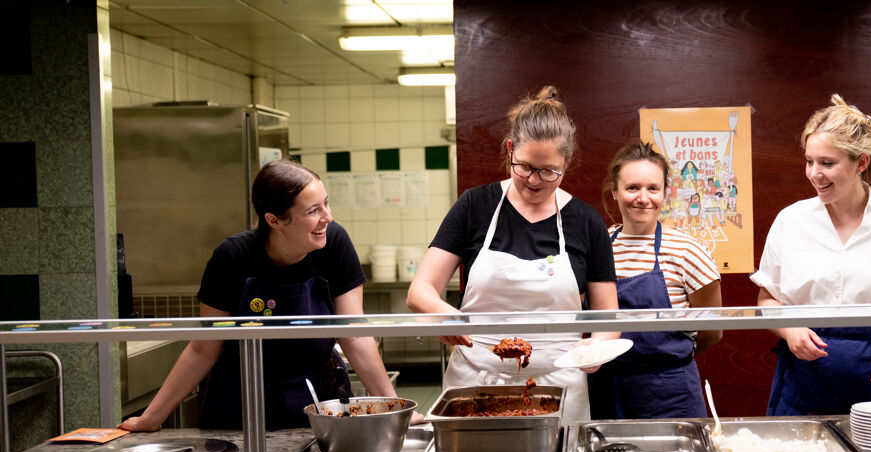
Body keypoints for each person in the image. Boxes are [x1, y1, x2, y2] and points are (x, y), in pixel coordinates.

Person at [120, 160, 397, 431]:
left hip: (316, 399)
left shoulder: (334, 243)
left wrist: (394, 409)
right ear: (274, 220)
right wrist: (152, 418)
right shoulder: (232, 258)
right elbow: (203, 348)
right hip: (242, 401)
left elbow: (355, 334)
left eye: (326, 203)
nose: (328, 217)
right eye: (313, 211)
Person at [406, 86, 618, 422]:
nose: (534, 181)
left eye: (548, 171)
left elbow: (608, 316)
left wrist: (596, 348)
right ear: (510, 150)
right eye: (525, 167)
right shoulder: (474, 206)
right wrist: (442, 313)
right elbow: (419, 291)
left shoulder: (585, 221)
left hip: (559, 386)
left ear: (566, 163)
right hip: (475, 381)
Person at [751, 94, 871, 416]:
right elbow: (767, 299)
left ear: (861, 163)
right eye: (810, 161)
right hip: (802, 379)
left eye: (827, 163)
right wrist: (789, 330)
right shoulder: (791, 220)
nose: (814, 173)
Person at [588, 141, 723, 419]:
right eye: (632, 188)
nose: (643, 198)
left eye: (653, 188)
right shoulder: (599, 247)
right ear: (614, 191)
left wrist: (669, 360)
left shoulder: (687, 251)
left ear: (665, 193)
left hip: (670, 393)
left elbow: (713, 330)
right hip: (607, 389)